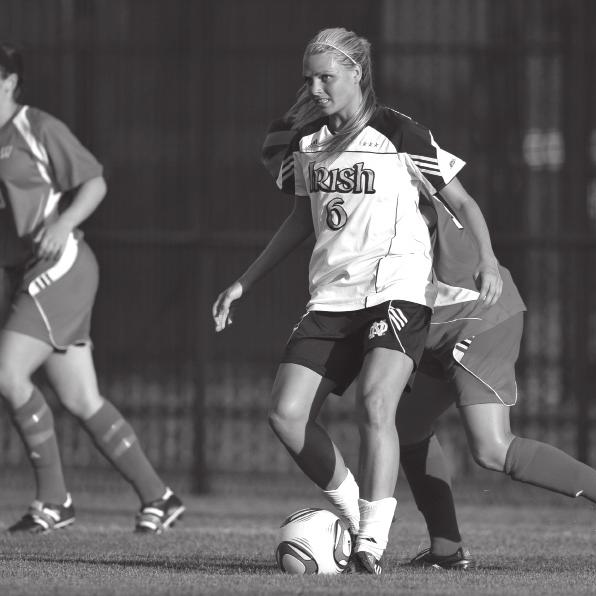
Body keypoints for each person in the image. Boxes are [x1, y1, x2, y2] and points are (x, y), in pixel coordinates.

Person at [213, 27, 501, 574]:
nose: (316, 88)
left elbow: (463, 200)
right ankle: (351, 515)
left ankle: (370, 542)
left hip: (396, 288)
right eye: (310, 78)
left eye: (327, 76)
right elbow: (300, 220)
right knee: (285, 413)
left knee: (376, 400)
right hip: (331, 296)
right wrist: (244, 282)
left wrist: (486, 258)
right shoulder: (309, 143)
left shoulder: (399, 132)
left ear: (356, 75)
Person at [395, 174, 596, 571]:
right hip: (439, 326)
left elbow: (433, 214)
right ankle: (446, 549)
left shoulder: (381, 174)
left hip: (477, 318)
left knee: (492, 448)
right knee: (407, 424)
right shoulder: (340, 185)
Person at [0, 42, 185, 534]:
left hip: (60, 265)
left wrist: (62, 225)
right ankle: (158, 496)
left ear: (9, 81)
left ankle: (54, 500)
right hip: (27, 273)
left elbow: (95, 182)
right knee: (81, 398)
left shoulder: (36, 128)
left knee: (7, 372)